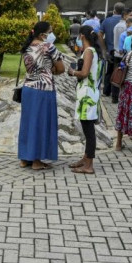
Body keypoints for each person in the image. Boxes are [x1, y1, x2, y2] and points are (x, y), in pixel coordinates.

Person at [18, 21, 65, 170]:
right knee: (40, 124)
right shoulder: (48, 47)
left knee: (28, 124)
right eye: (49, 31)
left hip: (28, 89)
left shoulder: (26, 47)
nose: (51, 34)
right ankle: (37, 161)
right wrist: (51, 71)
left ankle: (25, 158)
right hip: (44, 89)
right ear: (42, 34)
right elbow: (61, 68)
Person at [67, 25, 102, 174]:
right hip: (89, 93)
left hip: (87, 94)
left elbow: (85, 73)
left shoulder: (88, 52)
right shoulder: (93, 51)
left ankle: (89, 165)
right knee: (87, 128)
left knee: (89, 131)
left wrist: (73, 72)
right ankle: (86, 158)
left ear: (82, 36)